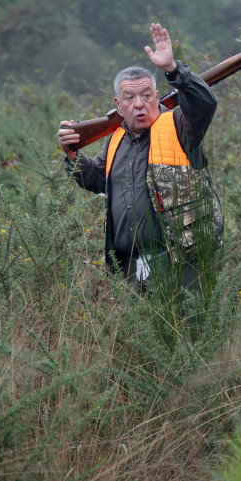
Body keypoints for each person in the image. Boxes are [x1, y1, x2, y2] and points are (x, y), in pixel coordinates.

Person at [58, 23, 222, 297]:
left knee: (185, 332)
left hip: (181, 264)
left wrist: (173, 69)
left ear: (157, 96)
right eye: (129, 97)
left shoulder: (180, 125)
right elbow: (99, 179)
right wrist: (73, 154)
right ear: (118, 104)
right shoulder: (116, 140)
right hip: (129, 269)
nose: (139, 103)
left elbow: (205, 104)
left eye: (146, 95)